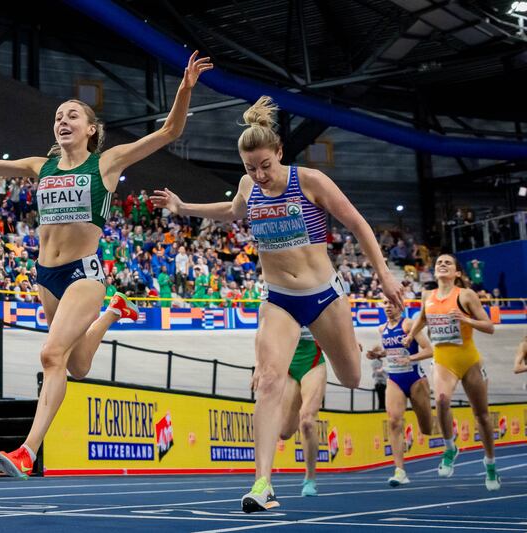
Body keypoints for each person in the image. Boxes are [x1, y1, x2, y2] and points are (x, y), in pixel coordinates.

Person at [0, 51, 213, 479]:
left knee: (51, 355)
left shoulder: (106, 162)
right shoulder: (39, 166)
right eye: (57, 116)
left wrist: (184, 88)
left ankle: (27, 452)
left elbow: (170, 130)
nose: (62, 121)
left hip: (84, 273)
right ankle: (114, 313)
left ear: (91, 129)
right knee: (77, 366)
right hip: (45, 276)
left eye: (72, 115)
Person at [150, 95, 404, 512]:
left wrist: (385, 273)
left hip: (324, 297)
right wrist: (184, 207)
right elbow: (232, 211)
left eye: (266, 165)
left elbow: (358, 224)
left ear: (280, 152)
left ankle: (336, 353)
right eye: (251, 168)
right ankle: (262, 483)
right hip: (279, 299)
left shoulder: (310, 182)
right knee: (266, 379)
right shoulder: (250, 186)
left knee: (354, 377)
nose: (260, 174)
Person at [404, 254, 499, 490]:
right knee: (443, 400)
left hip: (468, 360)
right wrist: (410, 335)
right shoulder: (428, 296)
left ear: (457, 273)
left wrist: (466, 319)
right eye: (439, 263)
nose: (442, 264)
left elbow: (489, 327)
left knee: (482, 416)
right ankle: (449, 448)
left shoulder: (465, 295)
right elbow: (422, 319)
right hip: (443, 359)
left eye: (448, 262)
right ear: (434, 272)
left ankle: (490, 464)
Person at [366, 296, 433, 487]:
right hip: (394, 378)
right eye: (385, 303)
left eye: (391, 304)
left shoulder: (409, 324)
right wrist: (379, 354)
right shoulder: (382, 329)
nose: (388, 307)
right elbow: (392, 350)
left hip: (415, 378)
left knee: (427, 428)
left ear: (400, 307)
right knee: (394, 421)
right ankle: (400, 471)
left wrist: (410, 358)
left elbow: (430, 350)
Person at [255, 322, 326, 497]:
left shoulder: (317, 295)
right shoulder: (277, 300)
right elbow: (262, 333)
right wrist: (259, 365)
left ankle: (310, 478)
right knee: (285, 432)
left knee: (307, 420)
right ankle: (263, 479)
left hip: (313, 362)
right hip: (287, 366)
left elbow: (337, 319)